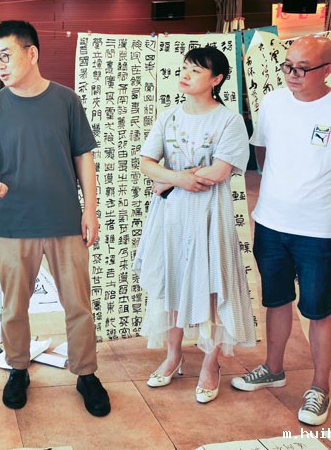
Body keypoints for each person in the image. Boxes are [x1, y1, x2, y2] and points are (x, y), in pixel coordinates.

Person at [231, 35, 331, 426]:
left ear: (328, 69)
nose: (292, 74)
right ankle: (273, 368)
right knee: (275, 300)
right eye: (288, 66)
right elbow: (262, 152)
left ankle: (320, 387)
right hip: (270, 223)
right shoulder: (272, 102)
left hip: (318, 231)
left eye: (302, 68)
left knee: (317, 308)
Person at [0, 20, 110, 417]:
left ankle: (86, 373)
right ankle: (17, 368)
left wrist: (90, 209)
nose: (0, 65)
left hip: (65, 222)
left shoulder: (66, 101)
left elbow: (84, 157)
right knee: (14, 307)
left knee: (78, 305)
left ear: (32, 53)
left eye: (6, 56)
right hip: (13, 225)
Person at [133, 46, 255, 404]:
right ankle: (173, 356)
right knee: (172, 280)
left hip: (209, 216)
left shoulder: (229, 120)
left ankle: (210, 364)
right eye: (185, 68)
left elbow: (220, 171)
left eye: (196, 70)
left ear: (217, 79)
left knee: (212, 286)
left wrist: (168, 180)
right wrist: (174, 179)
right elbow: (146, 162)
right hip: (170, 216)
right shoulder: (169, 116)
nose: (185, 75)